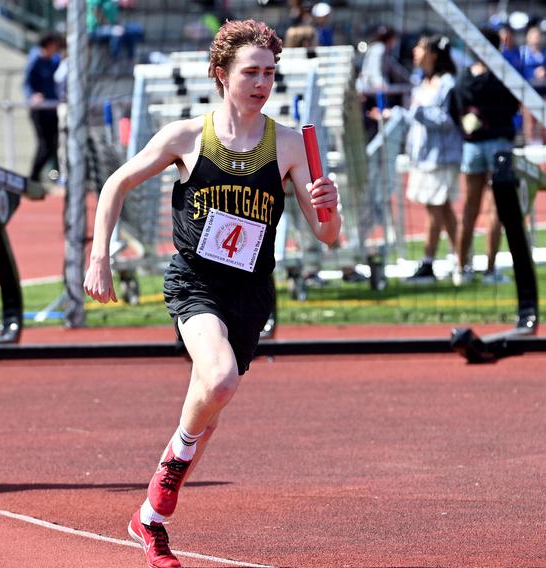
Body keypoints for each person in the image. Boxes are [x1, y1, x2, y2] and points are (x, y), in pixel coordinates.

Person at [83, 19, 340, 567]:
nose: (261, 82)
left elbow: (326, 235)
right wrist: (99, 254)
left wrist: (328, 205)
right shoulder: (186, 137)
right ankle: (171, 470)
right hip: (195, 282)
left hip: (250, 292)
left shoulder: (290, 145)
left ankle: (150, 520)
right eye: (250, 71)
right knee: (219, 377)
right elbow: (116, 184)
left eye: (270, 72)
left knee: (212, 402)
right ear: (221, 75)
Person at [447, 27, 519, 286]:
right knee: (496, 209)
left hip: (472, 147)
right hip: (497, 145)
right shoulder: (502, 75)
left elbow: (454, 108)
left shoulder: (465, 78)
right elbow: (514, 104)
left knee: (469, 207)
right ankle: (489, 269)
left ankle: (461, 268)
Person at [399, 34, 462, 283]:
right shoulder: (422, 81)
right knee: (442, 209)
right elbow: (417, 118)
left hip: (442, 156)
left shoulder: (448, 83)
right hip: (423, 156)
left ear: (433, 54)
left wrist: (420, 114)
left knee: (436, 209)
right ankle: (461, 259)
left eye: (420, 48)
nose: (415, 51)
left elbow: (450, 120)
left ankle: (428, 263)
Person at [23, 32, 64, 182]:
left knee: (55, 144)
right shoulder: (35, 60)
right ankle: (33, 177)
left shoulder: (54, 61)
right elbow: (27, 83)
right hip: (40, 111)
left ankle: (56, 175)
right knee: (45, 145)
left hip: (52, 109)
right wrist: (32, 96)